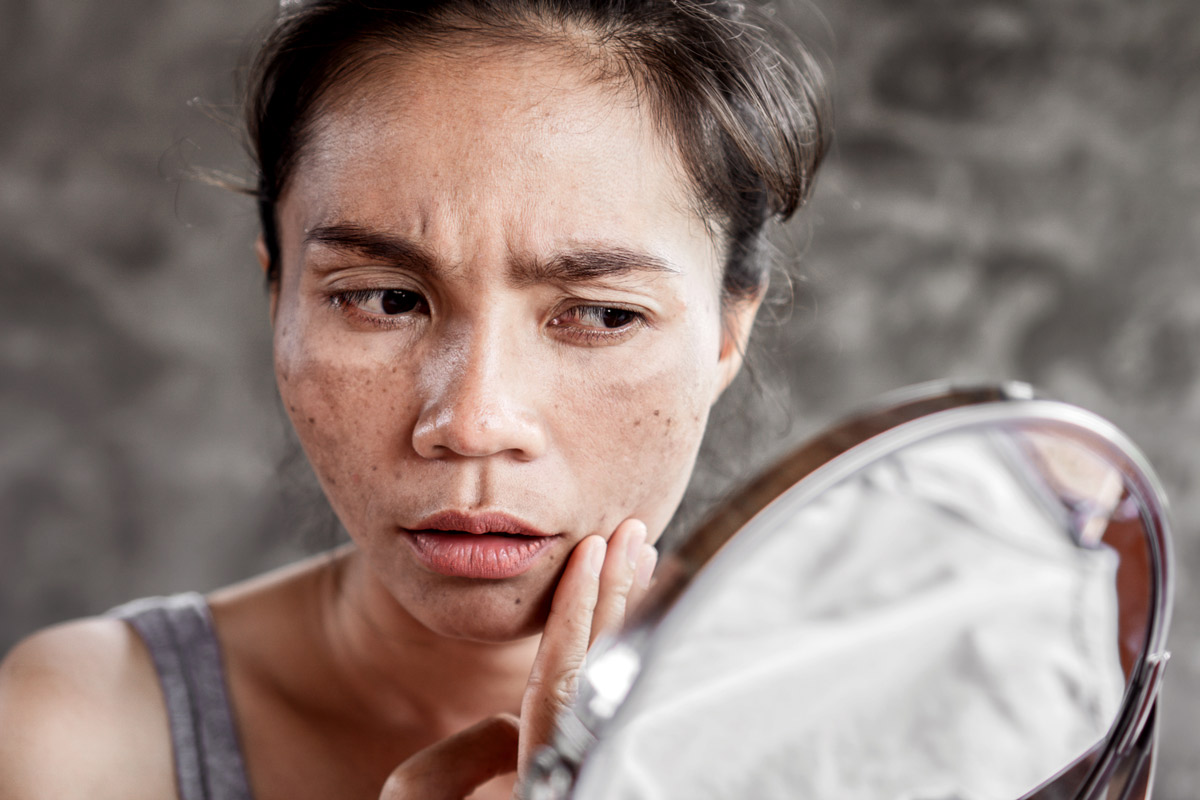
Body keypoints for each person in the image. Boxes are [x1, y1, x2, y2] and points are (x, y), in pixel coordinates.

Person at [0, 1, 829, 798]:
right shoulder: (81, 734)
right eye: (386, 300)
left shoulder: (868, 735)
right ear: (277, 297)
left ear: (727, 334)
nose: (471, 424)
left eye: (603, 314)